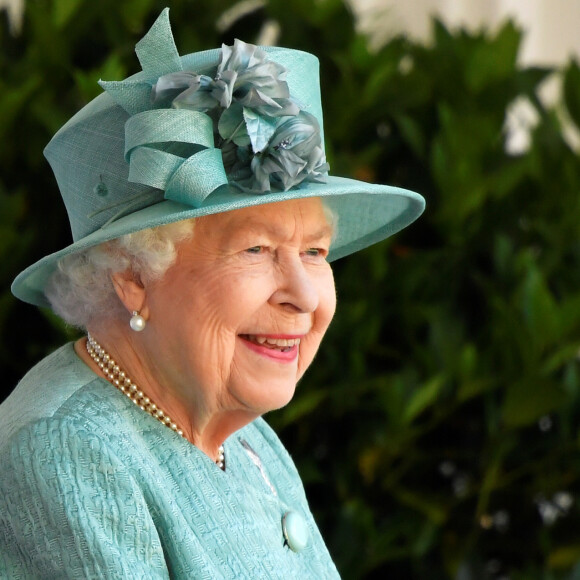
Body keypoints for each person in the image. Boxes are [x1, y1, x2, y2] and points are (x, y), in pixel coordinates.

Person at [0, 8, 424, 578]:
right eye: (255, 249)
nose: (302, 295)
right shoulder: (67, 455)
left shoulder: (245, 434)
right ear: (132, 278)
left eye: (315, 252)